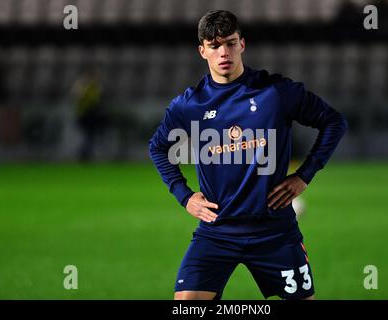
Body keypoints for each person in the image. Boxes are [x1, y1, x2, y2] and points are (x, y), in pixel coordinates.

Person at [149, 10, 347, 300]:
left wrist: (305, 175)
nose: (224, 52)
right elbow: (157, 147)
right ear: (202, 51)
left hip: (275, 232)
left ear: (242, 44)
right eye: (215, 46)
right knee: (186, 303)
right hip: (217, 231)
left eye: (230, 43)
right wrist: (184, 195)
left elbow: (334, 122)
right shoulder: (189, 105)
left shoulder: (276, 92)